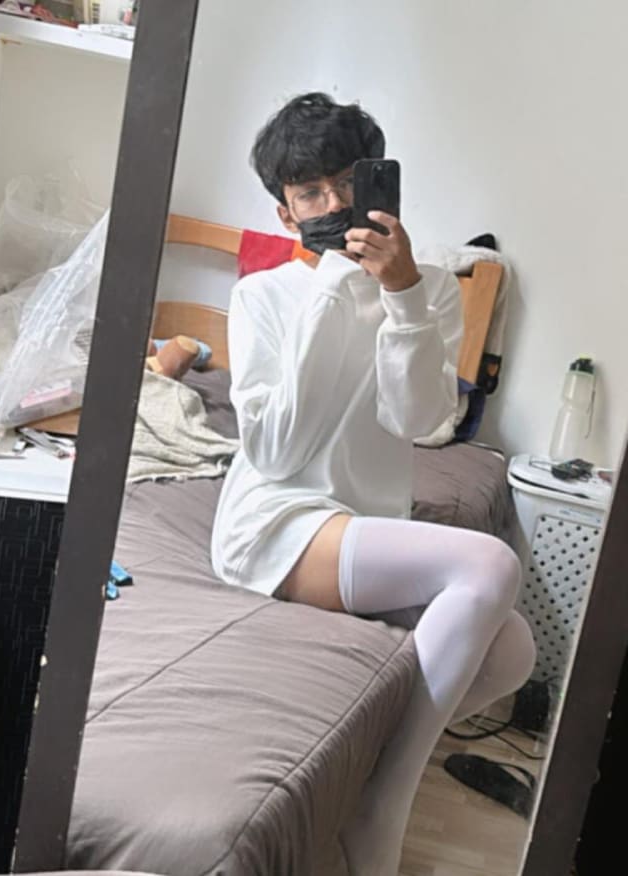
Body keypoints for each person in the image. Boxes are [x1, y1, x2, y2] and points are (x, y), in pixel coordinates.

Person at [211, 92, 535, 873]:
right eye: (310, 193)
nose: (333, 205)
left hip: (364, 521)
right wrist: (332, 286)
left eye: (346, 183)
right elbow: (277, 452)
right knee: (489, 564)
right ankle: (384, 804)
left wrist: (401, 297)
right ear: (285, 213)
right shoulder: (261, 297)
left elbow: (420, 422)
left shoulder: (433, 290)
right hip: (278, 521)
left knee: (514, 652)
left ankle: (370, 774)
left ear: (378, 182)